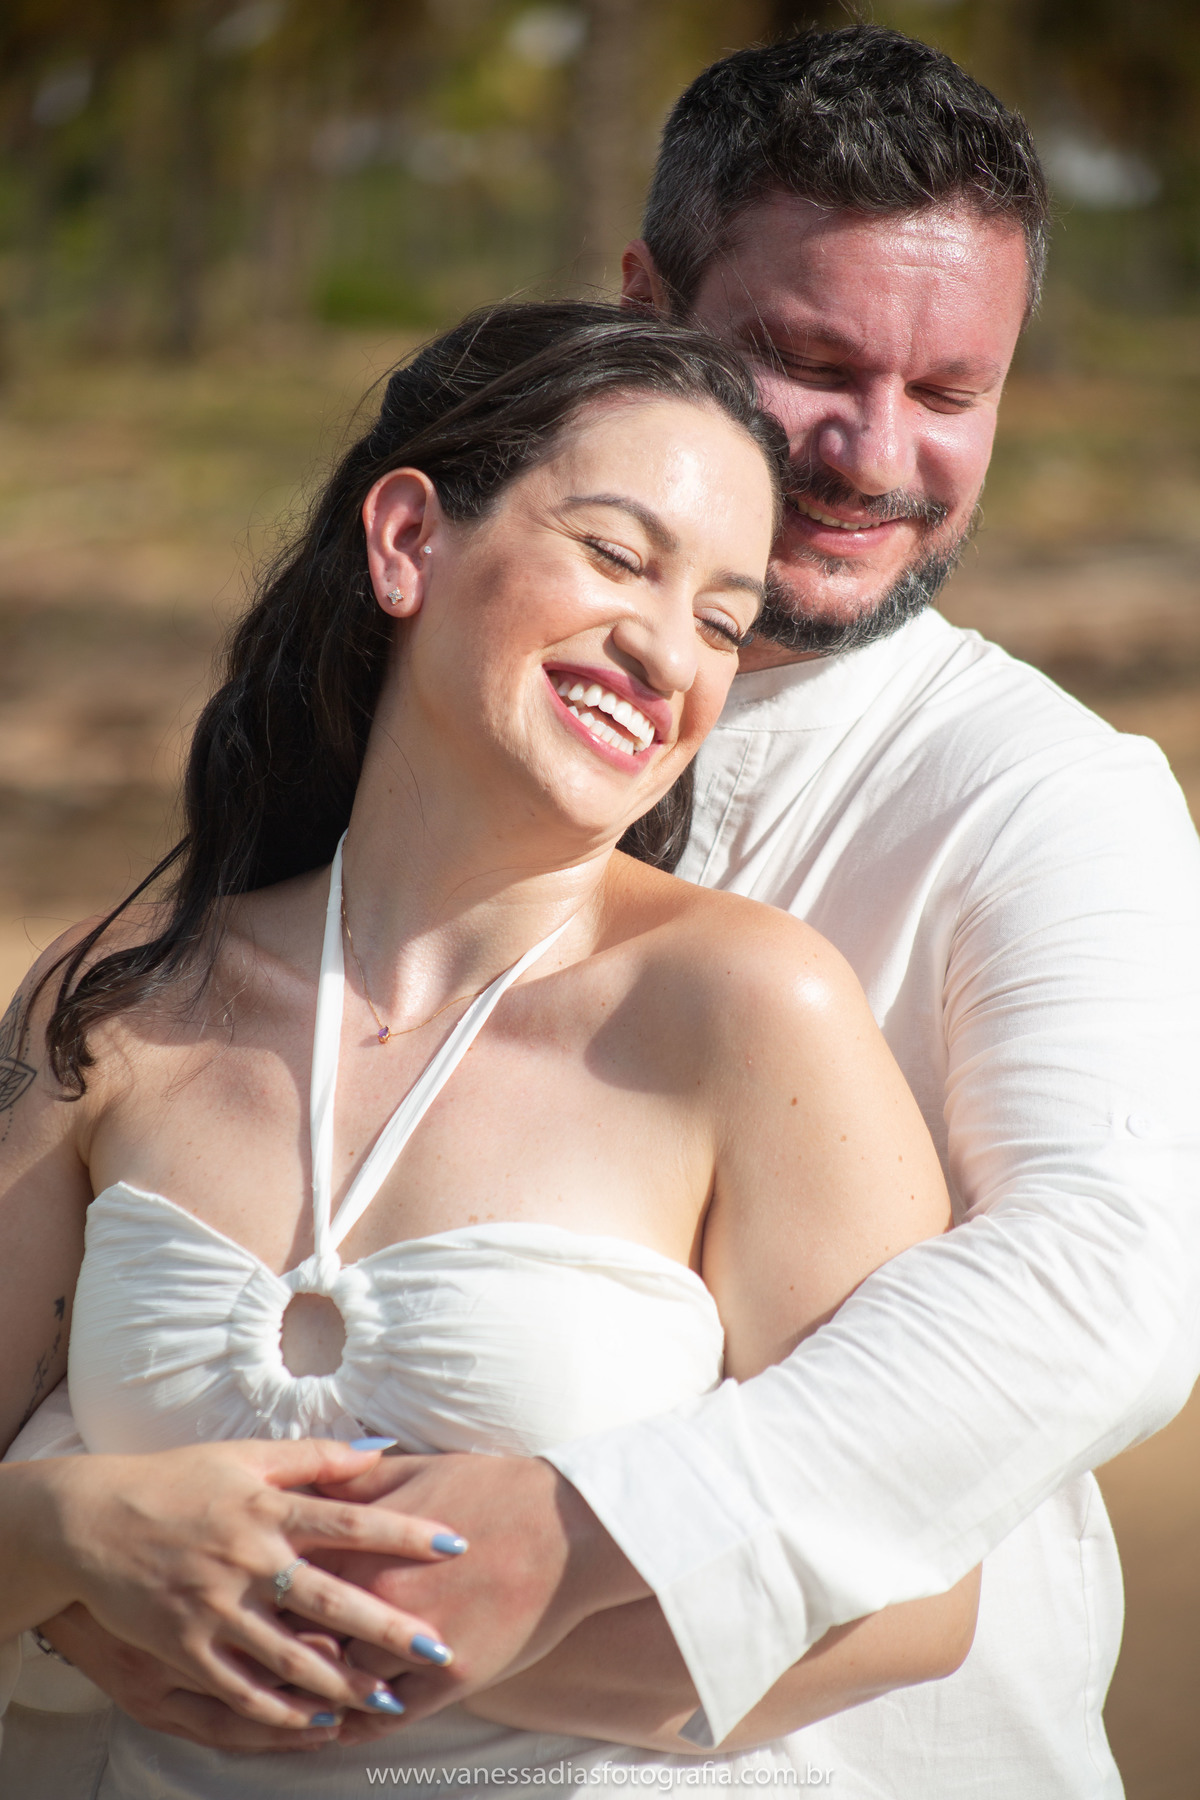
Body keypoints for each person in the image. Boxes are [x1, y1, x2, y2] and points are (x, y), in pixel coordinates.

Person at [9, 25, 1200, 1798]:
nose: (876, 454)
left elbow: (1105, 1279)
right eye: (809, 361)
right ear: (648, 297)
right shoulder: (334, 809)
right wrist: (81, 1556)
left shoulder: (1043, 797)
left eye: (952, 392)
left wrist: (566, 1534)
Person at [0, 300, 981, 1796]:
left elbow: (922, 1597)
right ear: (408, 542)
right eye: (615, 553)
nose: (666, 649)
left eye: (725, 619)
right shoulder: (116, 1009)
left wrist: (411, 1661)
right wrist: (75, 1548)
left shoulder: (747, 1009)